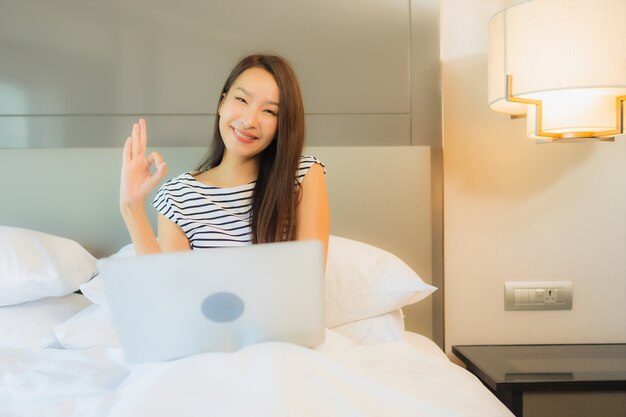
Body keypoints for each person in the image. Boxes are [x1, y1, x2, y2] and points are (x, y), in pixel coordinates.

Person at [119, 54, 330, 261]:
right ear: (222, 103)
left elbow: (309, 278)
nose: (249, 121)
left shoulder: (303, 175)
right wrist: (132, 208)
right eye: (241, 99)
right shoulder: (178, 197)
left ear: (282, 123)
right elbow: (167, 290)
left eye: (269, 111)